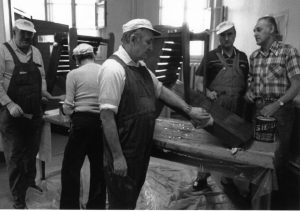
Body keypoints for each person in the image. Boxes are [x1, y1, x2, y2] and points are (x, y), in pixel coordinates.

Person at [97, 18, 213, 209]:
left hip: (139, 151)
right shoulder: (113, 69)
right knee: (120, 202)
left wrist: (189, 110)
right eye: (148, 42)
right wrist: (117, 157)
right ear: (133, 38)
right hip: (124, 152)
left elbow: (161, 90)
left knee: (130, 199)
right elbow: (106, 117)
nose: (151, 48)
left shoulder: (141, 67)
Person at [0, 19, 64, 209]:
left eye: (30, 34)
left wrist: (44, 92)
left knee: (31, 152)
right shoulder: (3, 51)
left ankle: (28, 183)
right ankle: (18, 197)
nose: (27, 37)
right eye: (23, 34)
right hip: (12, 115)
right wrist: (9, 104)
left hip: (34, 111)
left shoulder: (35, 52)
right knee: (16, 157)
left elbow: (41, 77)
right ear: (14, 31)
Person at [245, 16, 300, 208]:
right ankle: (257, 196)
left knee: (277, 157)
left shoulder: (288, 52)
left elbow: (296, 86)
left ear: (272, 30)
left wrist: (276, 105)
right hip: (258, 109)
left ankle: (276, 201)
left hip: (281, 111)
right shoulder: (254, 57)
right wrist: (249, 93)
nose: (255, 33)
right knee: (258, 155)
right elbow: (251, 84)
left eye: (259, 29)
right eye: (254, 30)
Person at [60, 43, 106, 209]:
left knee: (70, 169)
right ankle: (96, 206)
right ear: (93, 55)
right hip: (101, 123)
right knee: (99, 169)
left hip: (81, 124)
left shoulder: (74, 74)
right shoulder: (104, 70)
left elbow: (68, 105)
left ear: (77, 59)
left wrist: (66, 112)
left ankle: (69, 207)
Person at [195, 21, 249, 117]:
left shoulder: (243, 57)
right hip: (216, 105)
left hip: (239, 107)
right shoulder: (210, 57)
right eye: (223, 35)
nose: (226, 38)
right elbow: (198, 82)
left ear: (235, 35)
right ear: (218, 37)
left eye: (230, 34)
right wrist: (208, 93)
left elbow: (247, 82)